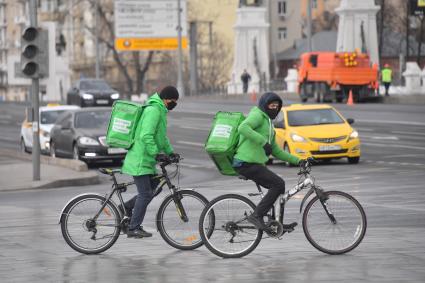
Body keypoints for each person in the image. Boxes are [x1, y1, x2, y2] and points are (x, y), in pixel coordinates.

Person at [232, 92, 304, 232]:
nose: (275, 109)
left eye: (277, 106)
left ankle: (276, 222)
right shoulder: (258, 115)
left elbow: (276, 152)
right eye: (272, 105)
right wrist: (263, 142)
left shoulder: (270, 125)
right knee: (278, 184)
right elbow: (243, 127)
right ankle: (256, 216)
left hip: (254, 164)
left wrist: (299, 160)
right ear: (264, 105)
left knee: (279, 187)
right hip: (245, 162)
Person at [120, 86, 179, 238]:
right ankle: (134, 227)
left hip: (146, 160)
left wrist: (170, 152)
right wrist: (156, 153)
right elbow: (146, 135)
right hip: (140, 160)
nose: (174, 104)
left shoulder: (160, 111)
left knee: (156, 187)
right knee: (145, 194)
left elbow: (161, 137)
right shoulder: (153, 110)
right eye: (174, 101)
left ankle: (125, 207)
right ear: (166, 99)